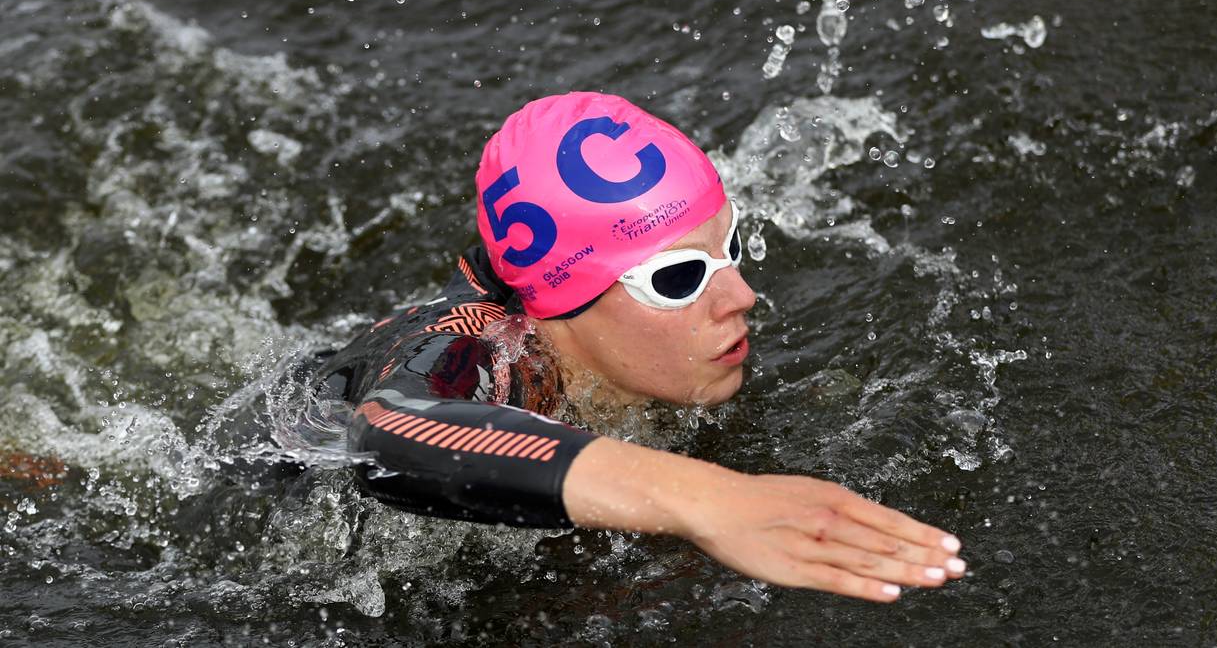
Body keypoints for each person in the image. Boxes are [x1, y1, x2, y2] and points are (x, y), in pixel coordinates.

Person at [313, 92, 966, 602]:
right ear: (561, 305)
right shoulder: (477, 349)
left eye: (729, 248)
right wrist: (713, 501)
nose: (741, 295)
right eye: (678, 279)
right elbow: (388, 436)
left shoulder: (628, 348)